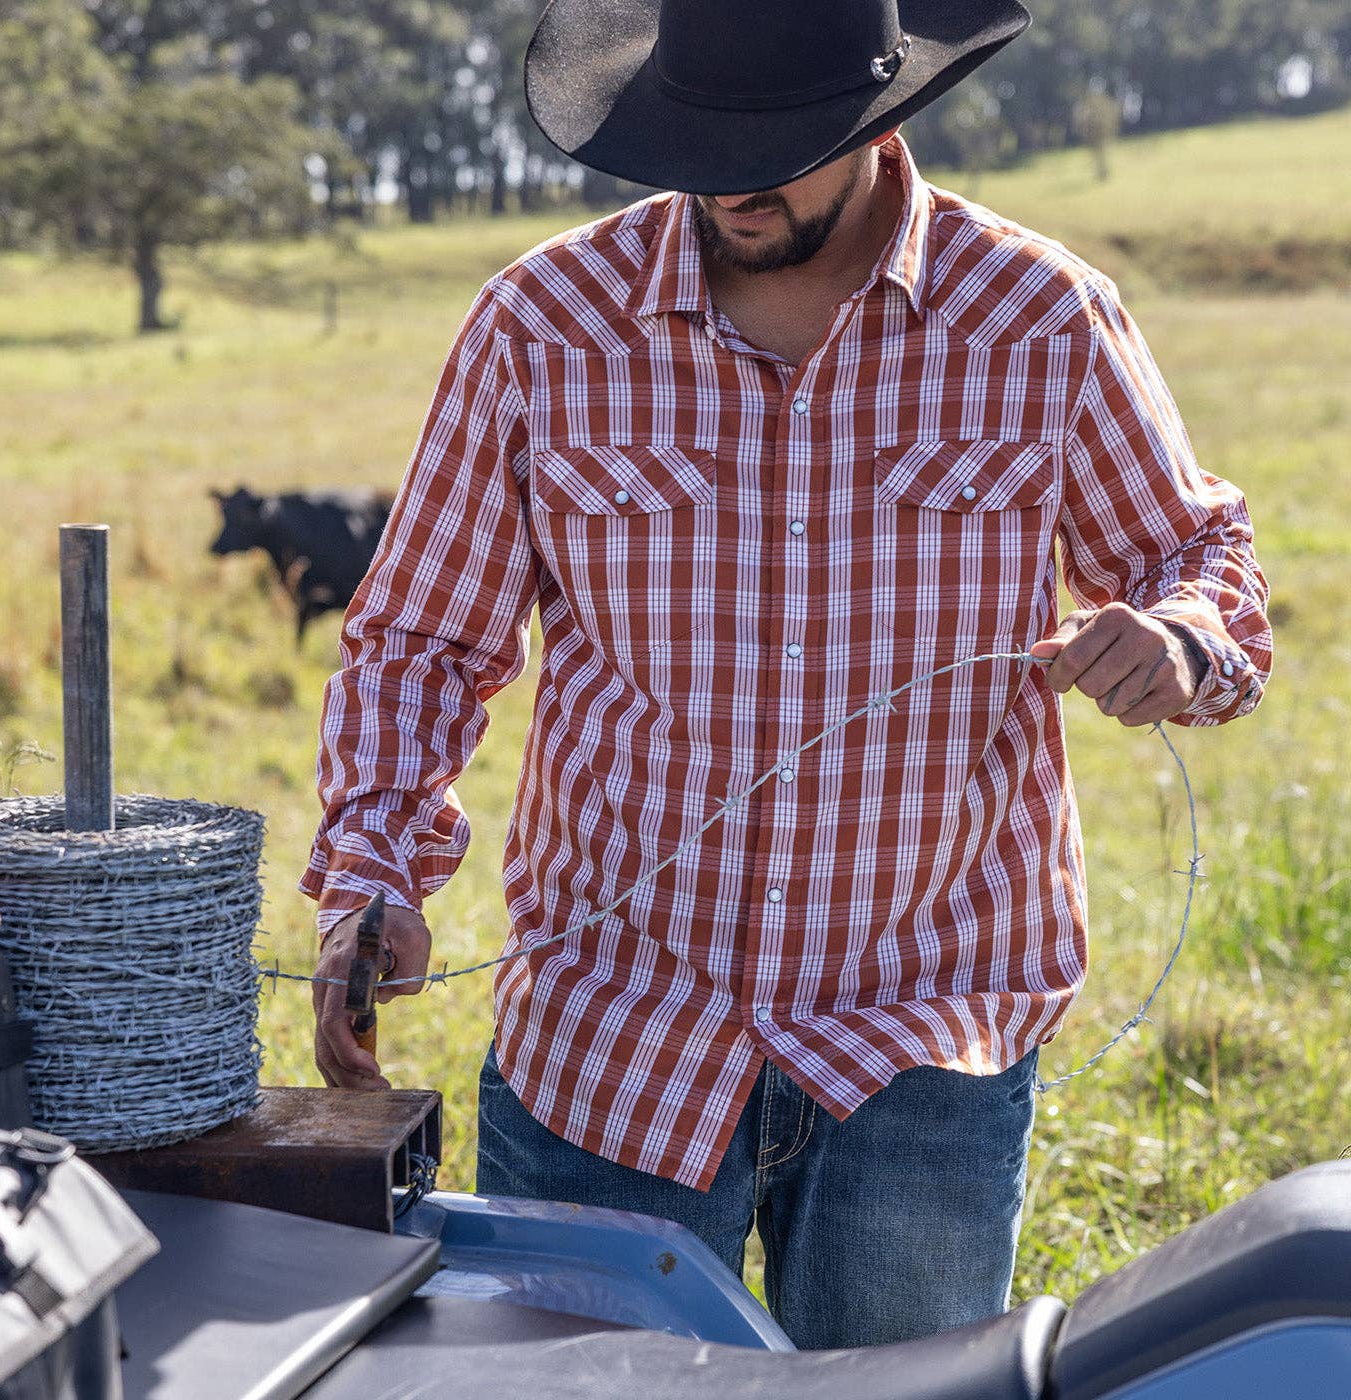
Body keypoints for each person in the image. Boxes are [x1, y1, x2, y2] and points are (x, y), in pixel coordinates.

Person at [302, 0, 1271, 1351]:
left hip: (922, 1036)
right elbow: (419, 639)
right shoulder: (545, 325)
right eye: (698, 142)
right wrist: (375, 877)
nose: (728, 184)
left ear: (879, 124)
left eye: (780, 147)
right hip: (613, 1037)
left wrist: (1179, 638)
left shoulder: (1040, 319)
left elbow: (1200, 558)